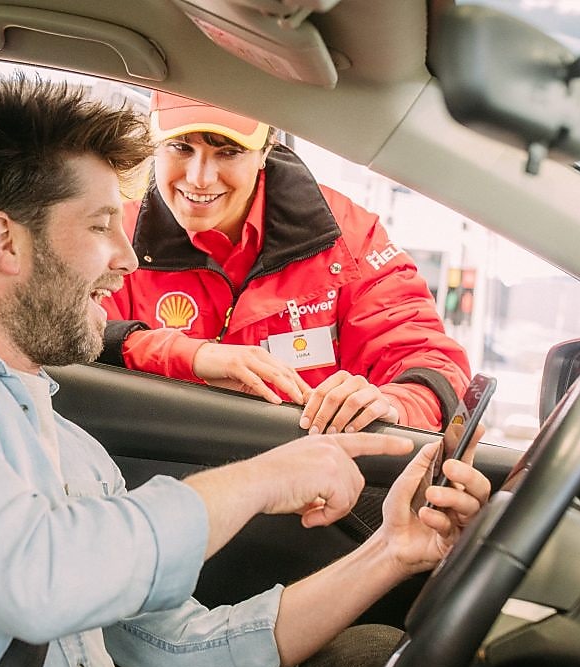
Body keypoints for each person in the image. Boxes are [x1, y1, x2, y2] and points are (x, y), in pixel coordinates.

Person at [0, 76, 491, 667]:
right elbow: (36, 577)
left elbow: (187, 662)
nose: (129, 256)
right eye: (103, 225)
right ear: (6, 241)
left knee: (370, 660)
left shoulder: (68, 444)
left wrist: (391, 552)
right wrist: (269, 475)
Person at [100, 91, 471, 434]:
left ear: (266, 150)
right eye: (180, 147)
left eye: (228, 151)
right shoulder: (112, 236)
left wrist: (391, 404)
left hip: (311, 486)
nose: (199, 178)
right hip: (156, 474)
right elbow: (73, 342)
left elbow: (430, 364)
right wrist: (192, 355)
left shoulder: (346, 238)